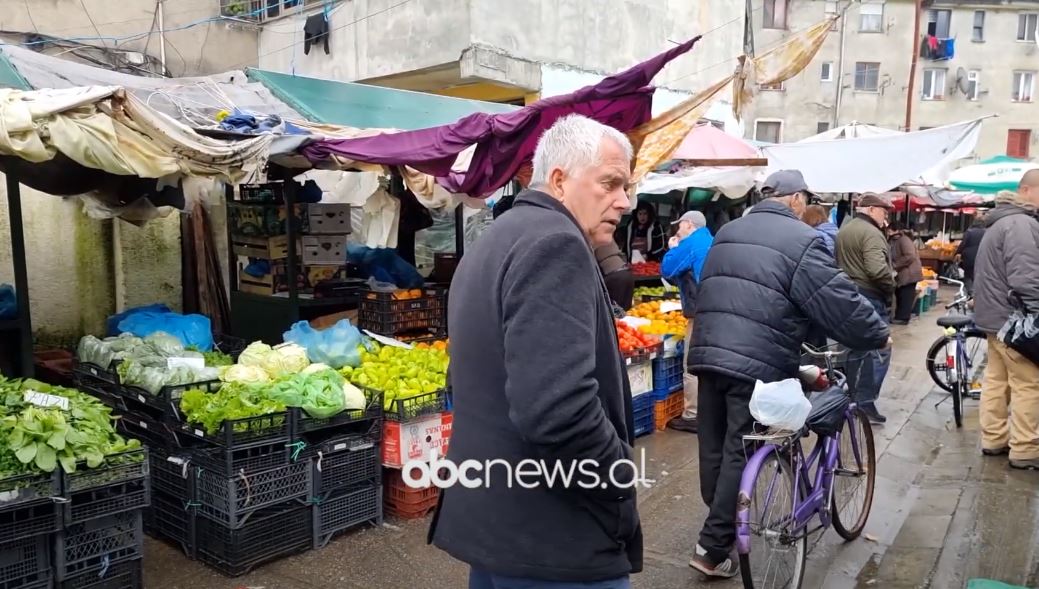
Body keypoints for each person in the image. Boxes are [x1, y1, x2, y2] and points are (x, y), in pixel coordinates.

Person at [431, 115, 642, 588]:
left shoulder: (498, 238)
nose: (623, 202)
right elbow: (557, 409)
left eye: (626, 187)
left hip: (497, 523)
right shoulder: (556, 243)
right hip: (552, 537)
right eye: (609, 183)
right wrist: (618, 483)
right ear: (560, 180)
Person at [687, 169, 889, 577]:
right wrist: (876, 334)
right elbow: (836, 298)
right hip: (756, 362)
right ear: (796, 199)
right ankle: (712, 546)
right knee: (739, 450)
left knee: (713, 444)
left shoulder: (728, 232)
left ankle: (721, 521)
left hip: (708, 351)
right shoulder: (803, 240)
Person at [973, 171, 1039, 470]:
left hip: (994, 319)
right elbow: (1026, 278)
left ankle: (994, 439)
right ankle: (1025, 448)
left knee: (996, 382)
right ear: (1027, 190)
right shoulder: (1021, 224)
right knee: (1029, 384)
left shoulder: (1002, 221)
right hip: (1014, 321)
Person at [835, 193, 897, 424]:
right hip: (868, 295)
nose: (886, 216)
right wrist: (891, 286)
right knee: (879, 348)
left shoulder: (846, 229)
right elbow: (877, 269)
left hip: (848, 294)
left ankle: (850, 397)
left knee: (853, 349)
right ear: (871, 209)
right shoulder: (871, 233)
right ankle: (864, 402)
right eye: (883, 211)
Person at [660, 210, 714, 434]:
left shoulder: (691, 242)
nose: (677, 230)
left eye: (679, 225)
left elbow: (667, 269)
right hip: (716, 309)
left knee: (692, 364)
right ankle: (711, 411)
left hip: (699, 311)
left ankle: (692, 415)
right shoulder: (712, 239)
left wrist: (673, 248)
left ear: (689, 224)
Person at [888, 220, 924, 325]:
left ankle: (903, 318)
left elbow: (910, 256)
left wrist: (895, 265)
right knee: (900, 294)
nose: (888, 232)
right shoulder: (895, 240)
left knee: (906, 295)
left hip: (909, 273)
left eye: (890, 230)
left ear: (895, 230)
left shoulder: (904, 240)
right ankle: (900, 316)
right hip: (903, 273)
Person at [597, 242, 635, 312]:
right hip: (625, 273)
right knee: (625, 310)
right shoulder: (605, 235)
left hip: (614, 277)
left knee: (615, 313)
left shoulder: (589, 237)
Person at [955, 216, 987, 294]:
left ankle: (970, 291)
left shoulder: (969, 232)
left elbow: (963, 244)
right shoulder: (986, 232)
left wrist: (957, 253)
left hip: (968, 257)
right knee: (977, 274)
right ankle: (977, 291)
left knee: (968, 275)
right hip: (981, 255)